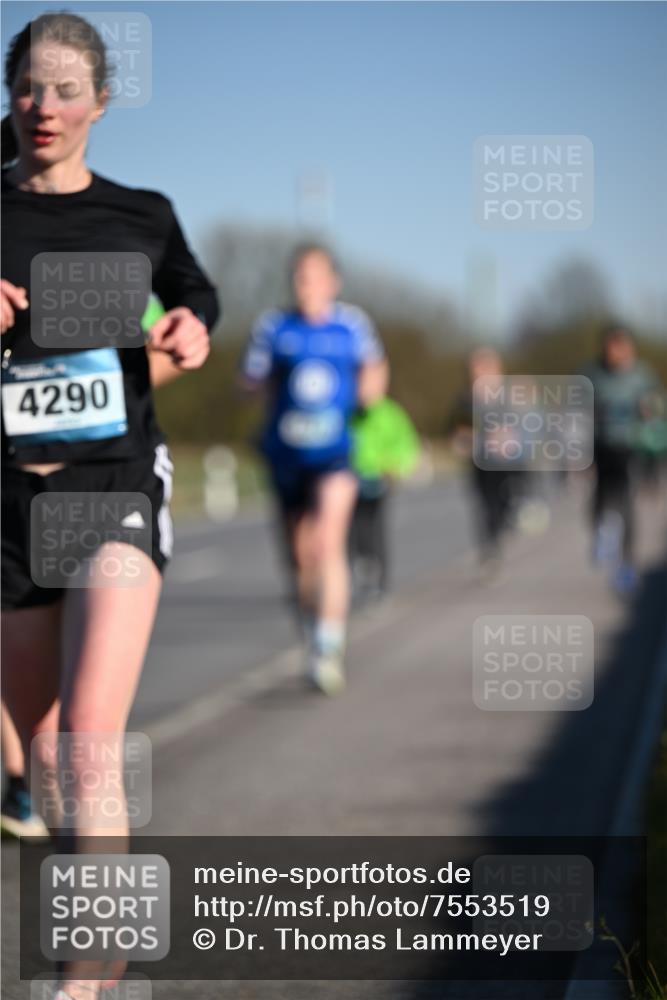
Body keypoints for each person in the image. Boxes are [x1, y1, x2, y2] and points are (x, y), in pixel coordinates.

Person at [1, 14, 219, 998]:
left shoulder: (143, 212)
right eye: (28, 88)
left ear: (99, 102)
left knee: (91, 739)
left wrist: (190, 327)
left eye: (65, 89)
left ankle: (87, 980)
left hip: (113, 485)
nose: (44, 108)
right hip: (10, 501)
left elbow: (195, 297)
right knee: (45, 759)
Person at [239, 243, 388, 694]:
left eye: (314, 276)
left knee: (327, 543)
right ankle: (311, 625)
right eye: (298, 276)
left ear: (332, 281)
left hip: (335, 453)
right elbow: (248, 381)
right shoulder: (273, 326)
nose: (305, 285)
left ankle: (329, 643)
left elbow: (375, 369)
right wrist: (255, 386)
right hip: (286, 454)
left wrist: (368, 395)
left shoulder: (352, 324)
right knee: (299, 556)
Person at [582, 323, 662, 595]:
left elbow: (655, 416)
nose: (617, 352)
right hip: (599, 446)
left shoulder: (643, 376)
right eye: (612, 347)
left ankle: (627, 563)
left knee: (627, 501)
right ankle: (601, 533)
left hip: (631, 446)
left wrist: (654, 466)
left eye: (622, 347)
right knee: (601, 497)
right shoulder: (592, 374)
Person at [447, 347, 525, 579]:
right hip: (479, 461)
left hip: (506, 462)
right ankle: (490, 551)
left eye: (485, 368)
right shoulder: (465, 399)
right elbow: (457, 428)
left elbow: (522, 425)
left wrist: (507, 437)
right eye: (476, 369)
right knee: (484, 506)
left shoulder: (507, 396)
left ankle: (507, 521)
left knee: (503, 502)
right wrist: (462, 439)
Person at [348, 396, 420, 601]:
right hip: (350, 480)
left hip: (380, 480)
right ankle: (359, 569)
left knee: (375, 528)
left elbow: (405, 443)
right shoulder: (347, 410)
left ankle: (380, 579)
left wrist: (396, 466)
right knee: (352, 531)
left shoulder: (390, 413)